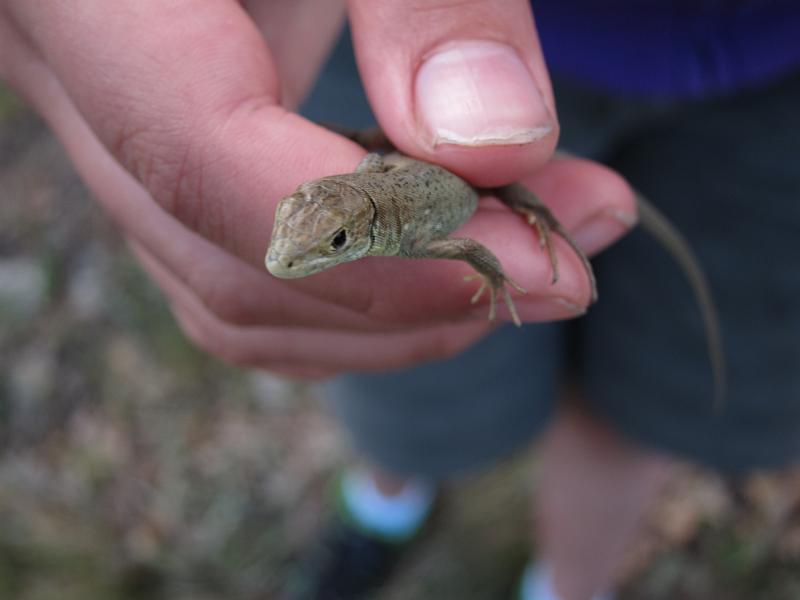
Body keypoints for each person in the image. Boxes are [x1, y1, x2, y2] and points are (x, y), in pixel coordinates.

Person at [1, 2, 798, 600]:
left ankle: (568, 582)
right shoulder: (353, 204)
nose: (297, 256)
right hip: (377, 41)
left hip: (762, 81)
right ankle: (389, 502)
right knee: (399, 376)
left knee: (639, 397)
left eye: (332, 244)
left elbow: (472, 246)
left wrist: (500, 265)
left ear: (363, 233)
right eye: (305, 229)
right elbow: (341, 192)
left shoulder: (418, 236)